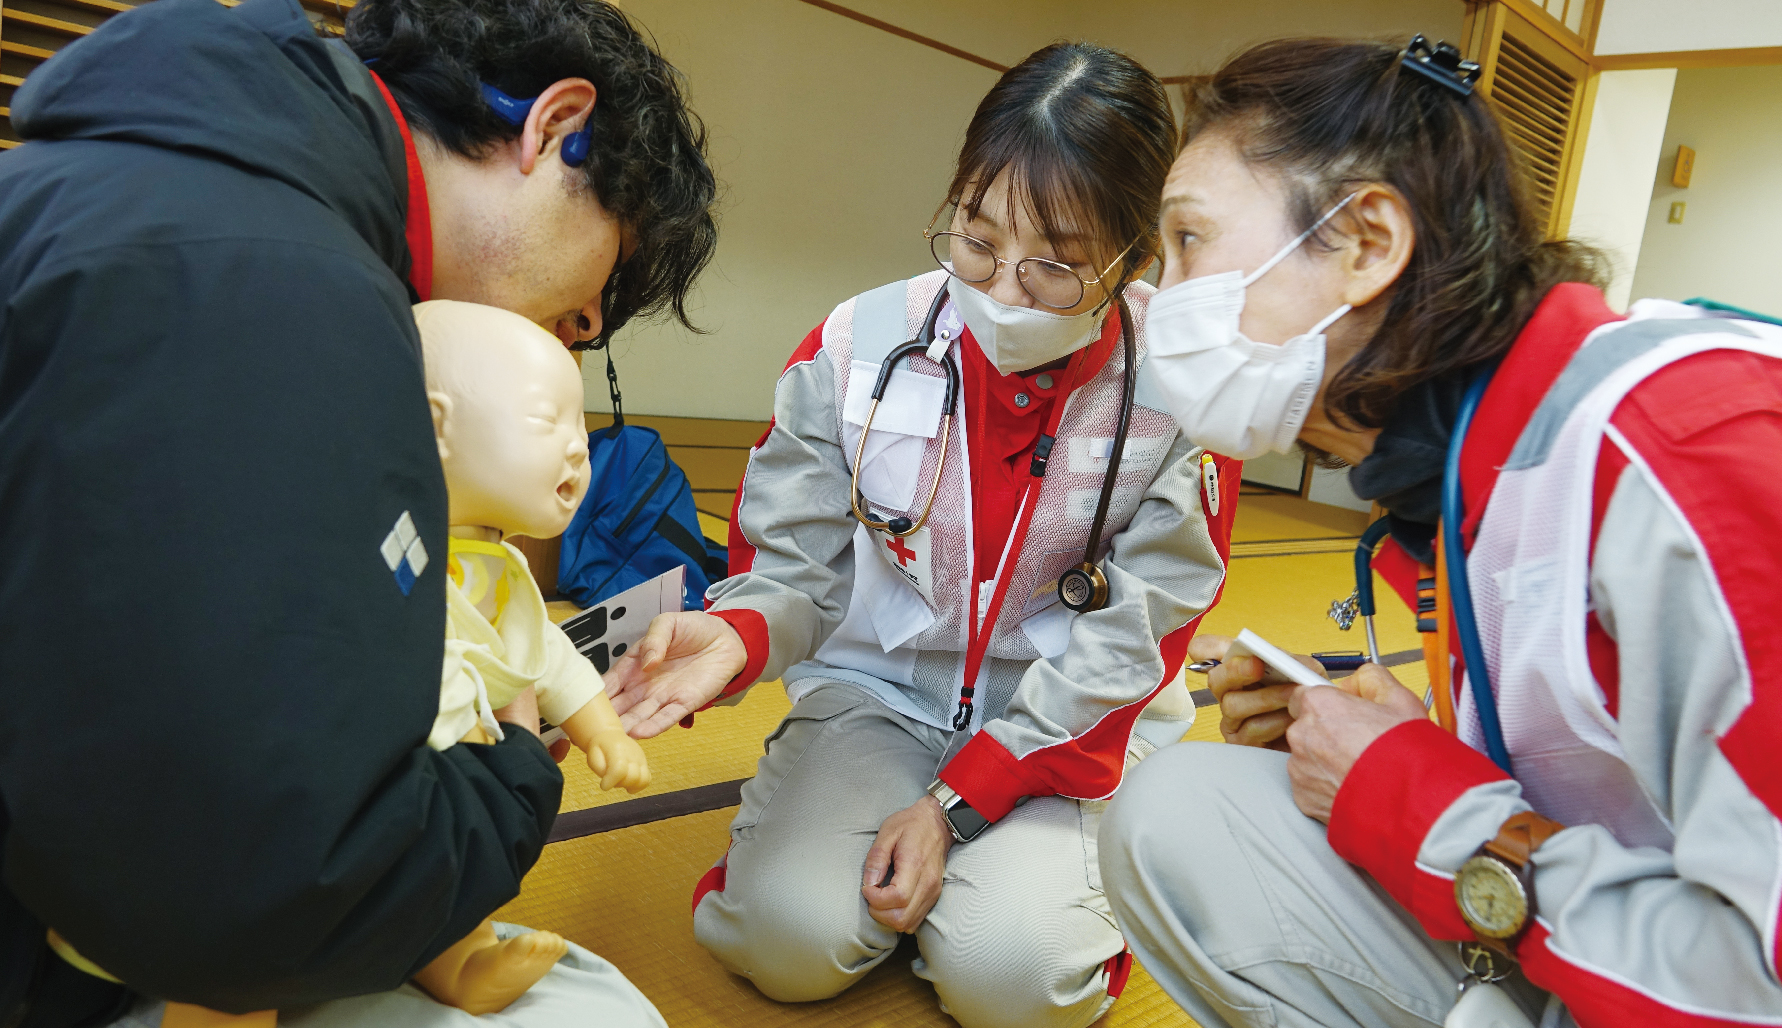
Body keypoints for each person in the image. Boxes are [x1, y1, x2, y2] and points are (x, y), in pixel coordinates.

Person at [0, 0, 714, 1025]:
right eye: (613, 273)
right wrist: (509, 770)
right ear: (557, 128)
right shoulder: (282, 287)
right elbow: (260, 892)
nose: (592, 320)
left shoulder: (139, 185)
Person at [1099, 36, 1782, 1028]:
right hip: (1620, 950)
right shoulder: (1476, 473)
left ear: (1370, 242)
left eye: (1191, 240)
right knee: (1185, 806)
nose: (1158, 295)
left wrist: (1411, 794)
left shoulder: (1686, 453)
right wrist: (1407, 735)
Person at [604, 43, 1238, 1028]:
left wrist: (955, 803)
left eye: (1058, 267)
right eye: (977, 241)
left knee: (1013, 981)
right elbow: (791, 566)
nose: (1005, 292)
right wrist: (736, 633)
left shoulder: (1187, 404)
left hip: (1062, 729)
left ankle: (1037, 880)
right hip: (879, 697)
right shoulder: (856, 346)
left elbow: (1133, 644)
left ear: (1134, 257)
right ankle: (832, 846)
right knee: (786, 941)